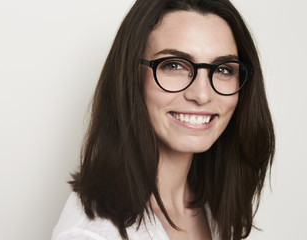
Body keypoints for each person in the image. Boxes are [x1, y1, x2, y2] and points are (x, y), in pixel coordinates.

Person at [52, 0, 275, 239]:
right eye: (174, 65)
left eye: (222, 69)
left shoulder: (211, 202)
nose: (201, 95)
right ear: (131, 77)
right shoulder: (91, 234)